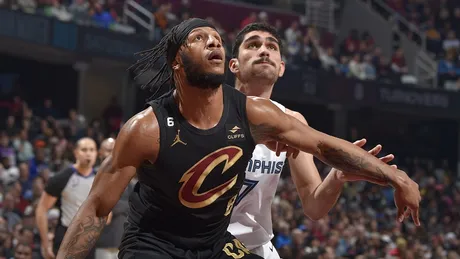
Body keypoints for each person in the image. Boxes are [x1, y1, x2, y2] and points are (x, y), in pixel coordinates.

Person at [55, 18, 420, 259]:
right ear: (177, 61)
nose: (214, 42)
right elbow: (95, 210)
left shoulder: (268, 117)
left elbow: (325, 150)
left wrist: (394, 176)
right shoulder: (146, 129)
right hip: (158, 242)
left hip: (224, 243)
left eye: (217, 38)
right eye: (200, 39)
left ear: (281, 66)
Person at [227, 23, 397, 258]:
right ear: (234, 64)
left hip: (255, 246)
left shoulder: (292, 121)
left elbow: (314, 206)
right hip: (205, 241)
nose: (264, 51)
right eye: (253, 45)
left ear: (281, 68)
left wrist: (336, 176)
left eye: (272, 46)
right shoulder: (212, 109)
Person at [35, 137, 98, 259]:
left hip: (90, 240)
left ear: (96, 153)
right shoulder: (62, 177)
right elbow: (41, 209)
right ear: (75, 153)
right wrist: (45, 243)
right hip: (65, 237)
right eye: (84, 150)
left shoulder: (100, 179)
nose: (88, 153)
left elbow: (107, 216)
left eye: (92, 150)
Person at [95, 138, 134, 259]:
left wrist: (112, 206)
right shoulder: (93, 176)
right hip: (99, 243)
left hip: (123, 243)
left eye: (115, 150)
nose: (112, 155)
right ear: (100, 153)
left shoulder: (128, 179)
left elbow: (135, 207)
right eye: (108, 150)